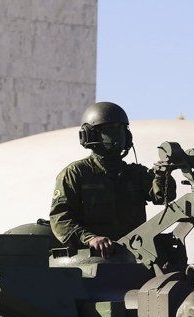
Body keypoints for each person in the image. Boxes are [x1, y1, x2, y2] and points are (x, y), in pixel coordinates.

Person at [50, 102, 175, 255]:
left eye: (121, 129)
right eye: (109, 130)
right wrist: (90, 239)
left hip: (135, 257)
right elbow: (60, 219)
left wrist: (162, 175)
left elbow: (163, 197)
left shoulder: (136, 173)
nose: (117, 136)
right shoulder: (76, 173)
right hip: (92, 260)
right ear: (90, 135)